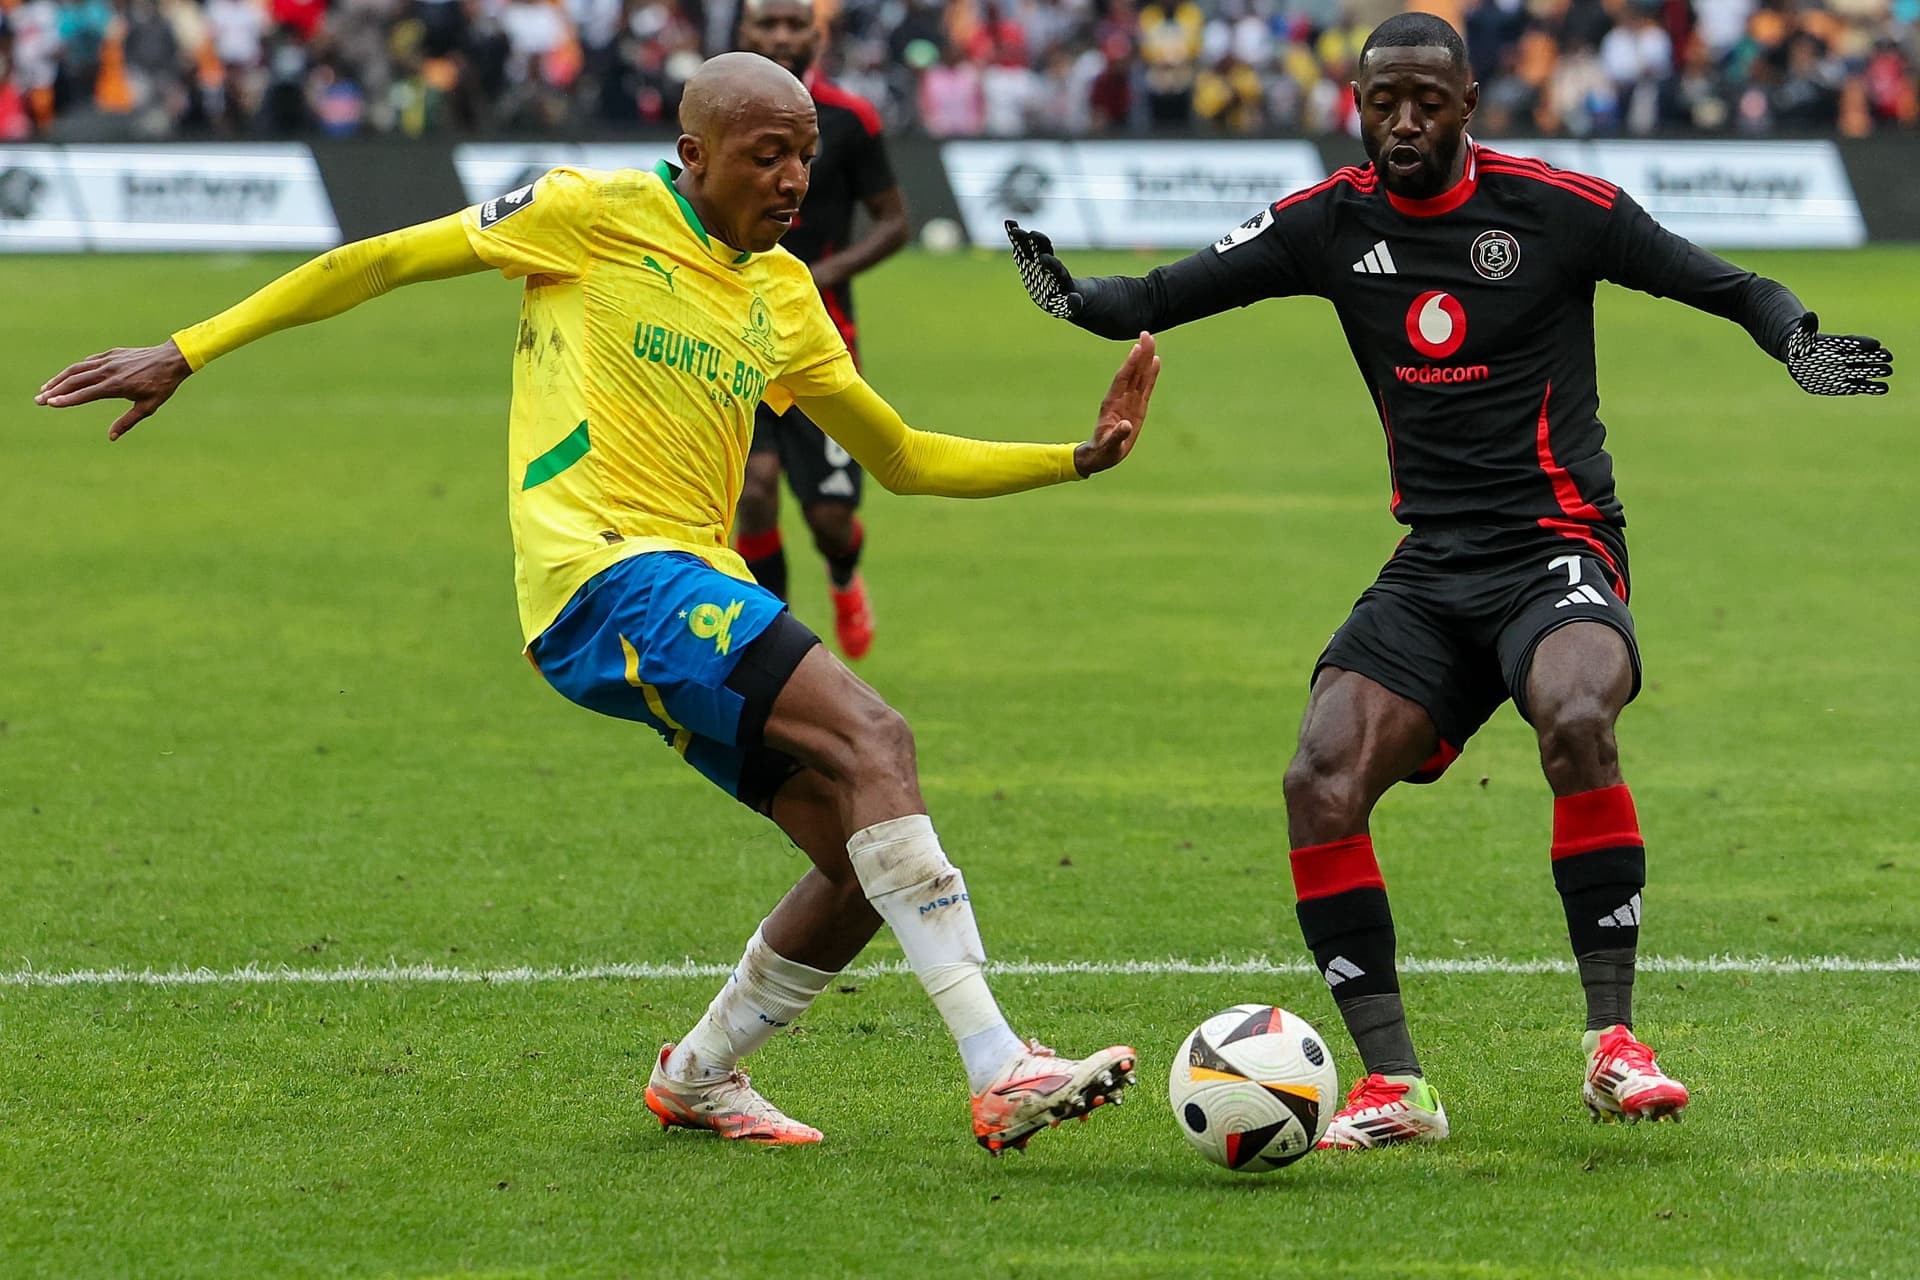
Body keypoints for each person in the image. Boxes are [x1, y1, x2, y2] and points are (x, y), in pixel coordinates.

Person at [37, 51, 1160, 1155]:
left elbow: (904, 457)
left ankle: (700, 1074)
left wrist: (1079, 457)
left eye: (804, 159)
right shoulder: (589, 212)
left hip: (684, 586)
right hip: (603, 573)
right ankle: (998, 1067)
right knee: (879, 735)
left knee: (856, 854)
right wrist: (188, 347)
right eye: (767, 156)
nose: (792, 182)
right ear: (693, 153)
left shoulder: (784, 295)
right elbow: (378, 261)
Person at [1007, 12, 1892, 1148]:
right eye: (1386, 102)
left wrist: (1798, 340)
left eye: (1429, 99)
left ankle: (1614, 1046)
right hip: (1432, 565)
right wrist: (1073, 298)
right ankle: (1397, 1086)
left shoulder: (1559, 210)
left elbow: (1728, 283)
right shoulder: (1329, 222)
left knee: (1575, 708)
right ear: (1359, 106)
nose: (1407, 121)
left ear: (1470, 102)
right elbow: (1161, 292)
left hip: (1557, 544)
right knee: (1317, 776)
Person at [733, 0, 909, 660]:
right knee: (753, 493)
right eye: (766, 25)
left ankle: (843, 573)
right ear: (743, 33)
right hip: (736, 337)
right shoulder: (713, 119)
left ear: (817, 33)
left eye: (793, 25)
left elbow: (895, 221)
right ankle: (767, 646)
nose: (781, 36)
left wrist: (820, 273)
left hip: (820, 339)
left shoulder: (850, 120)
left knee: (831, 521)